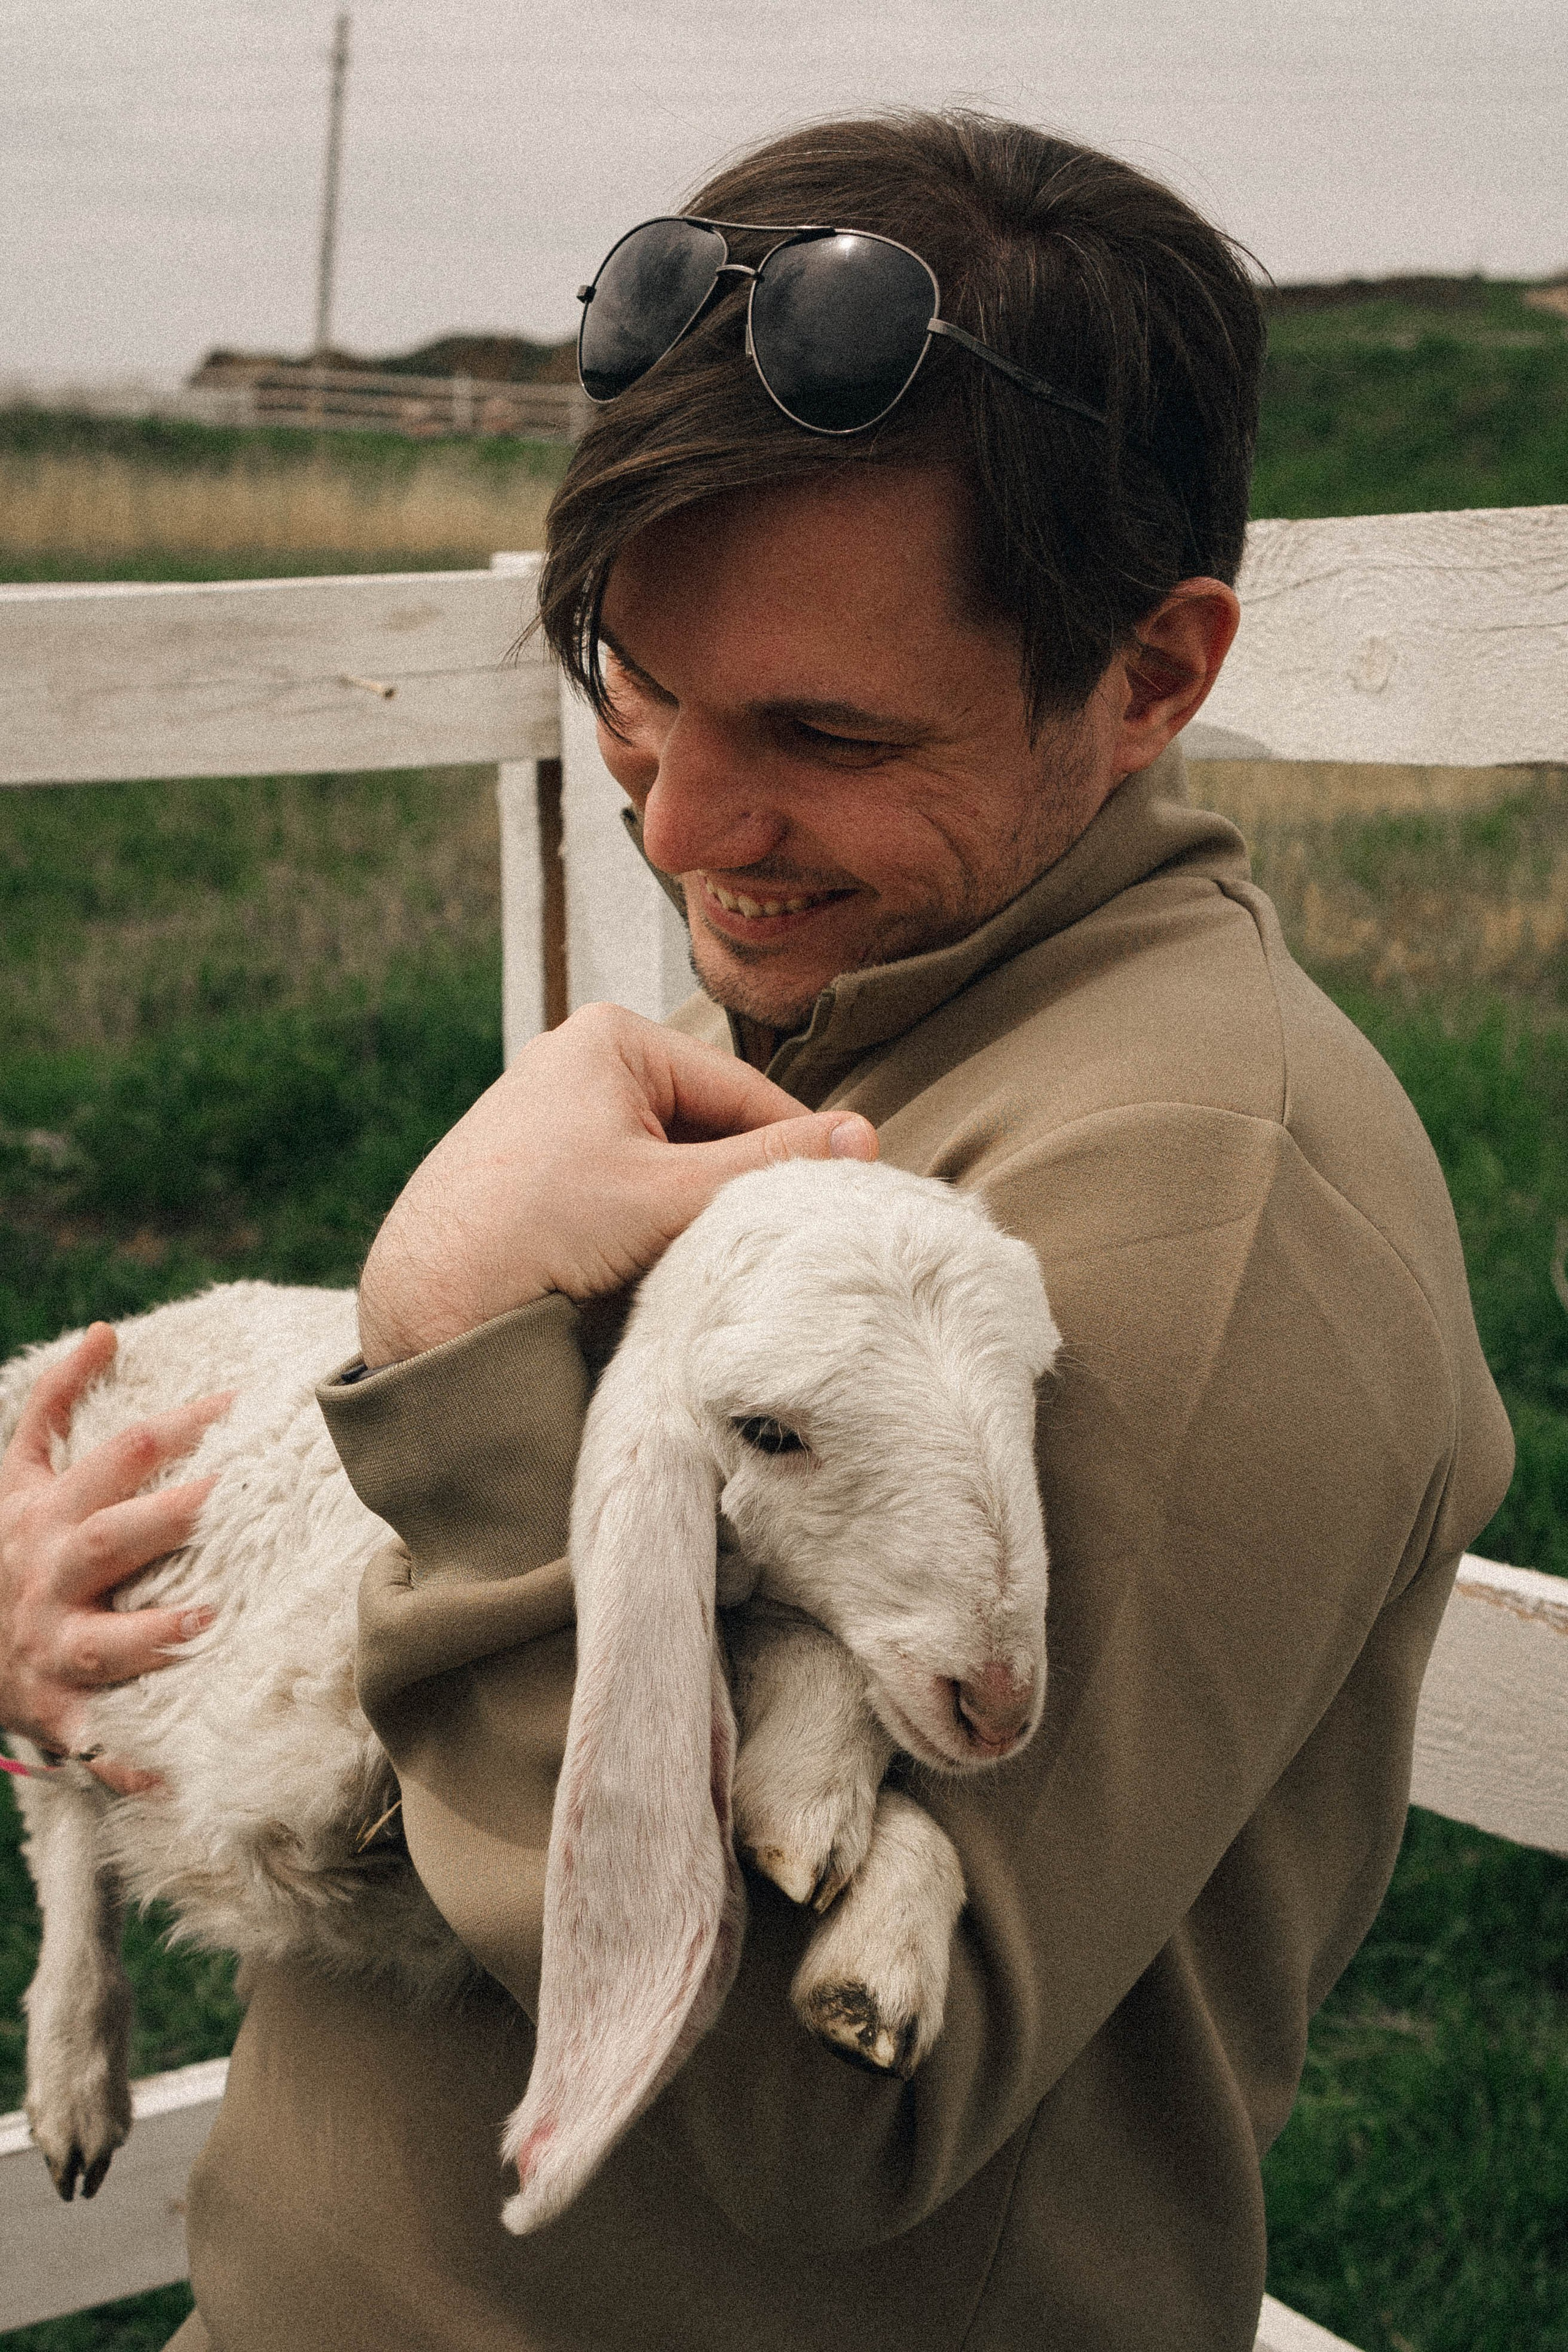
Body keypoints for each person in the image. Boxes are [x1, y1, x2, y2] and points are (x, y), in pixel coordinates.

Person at [0, 111, 1511, 2352]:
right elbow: (430, 1641)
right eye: (641, 681)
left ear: (1159, 674)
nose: (686, 826)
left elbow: (825, 2126)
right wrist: (104, 1625)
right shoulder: (854, 1016)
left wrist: (459, 1353)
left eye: (821, 727)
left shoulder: (1191, 1200)